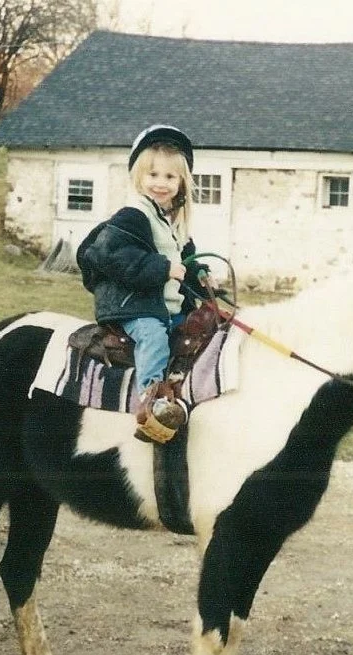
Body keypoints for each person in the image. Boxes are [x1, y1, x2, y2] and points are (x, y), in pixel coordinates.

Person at [76, 124, 209, 443]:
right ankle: (153, 403)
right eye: (153, 175)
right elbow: (118, 258)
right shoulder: (132, 216)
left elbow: (185, 262)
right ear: (139, 177)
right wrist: (164, 268)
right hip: (133, 305)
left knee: (203, 331)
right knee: (153, 338)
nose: (160, 184)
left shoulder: (173, 222)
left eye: (169, 177)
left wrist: (199, 276)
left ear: (181, 182)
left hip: (164, 305)